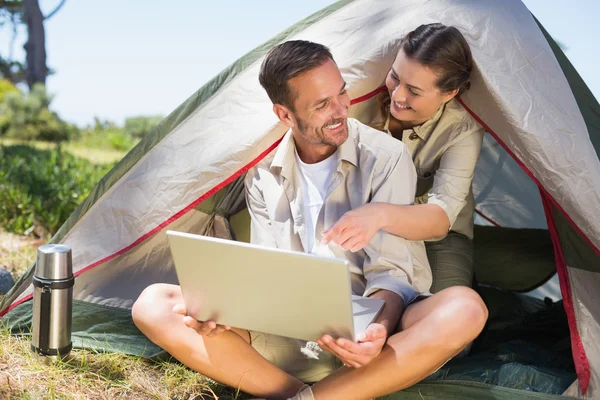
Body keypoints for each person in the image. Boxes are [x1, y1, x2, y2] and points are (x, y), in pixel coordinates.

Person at [131, 40, 488, 400]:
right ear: (285, 115)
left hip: (369, 332)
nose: (341, 110)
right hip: (291, 329)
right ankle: (303, 394)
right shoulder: (262, 171)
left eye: (342, 93)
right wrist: (224, 311)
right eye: (322, 105)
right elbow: (268, 270)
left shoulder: (387, 156)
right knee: (153, 304)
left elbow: (392, 272)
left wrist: (375, 332)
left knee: (465, 308)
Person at [321, 23, 485, 294]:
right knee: (347, 298)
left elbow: (441, 218)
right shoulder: (360, 96)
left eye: (414, 91)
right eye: (395, 77)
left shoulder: (462, 130)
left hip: (437, 237)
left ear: (449, 93)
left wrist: (379, 214)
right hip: (361, 216)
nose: (397, 96)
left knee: (446, 309)